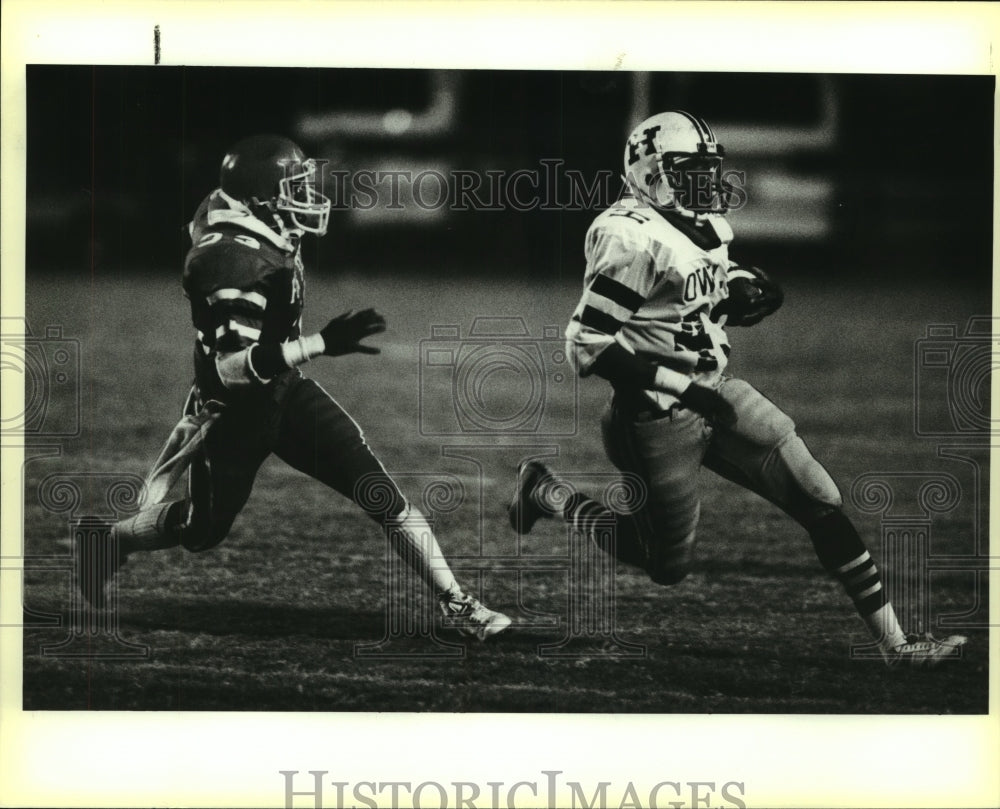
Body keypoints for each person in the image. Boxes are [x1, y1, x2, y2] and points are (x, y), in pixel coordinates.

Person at [508, 110, 965, 666]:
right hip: (654, 415)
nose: (706, 180)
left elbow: (700, 295)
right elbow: (588, 343)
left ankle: (897, 645)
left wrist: (746, 291)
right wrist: (685, 389)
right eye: (690, 169)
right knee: (664, 565)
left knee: (819, 497)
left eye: (708, 168)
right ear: (651, 171)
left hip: (717, 390)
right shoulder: (628, 235)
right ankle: (548, 493)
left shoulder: (705, 223)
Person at [79, 134, 510, 641]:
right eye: (295, 187)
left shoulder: (253, 222)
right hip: (231, 410)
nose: (306, 196)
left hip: (283, 390)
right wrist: (320, 343)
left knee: (380, 493)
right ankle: (108, 541)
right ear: (261, 196)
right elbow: (230, 370)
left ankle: (459, 605)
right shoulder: (231, 260)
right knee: (202, 531)